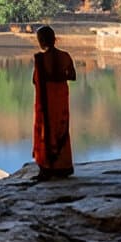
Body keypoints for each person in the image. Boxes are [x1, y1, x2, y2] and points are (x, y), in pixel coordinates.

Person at [31, 25, 76, 180]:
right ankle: (63, 167)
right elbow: (72, 75)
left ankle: (46, 168)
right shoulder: (65, 56)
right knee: (60, 130)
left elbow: (34, 80)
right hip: (61, 99)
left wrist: (49, 78)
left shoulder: (40, 59)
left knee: (46, 130)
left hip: (46, 100)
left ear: (42, 41)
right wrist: (58, 77)